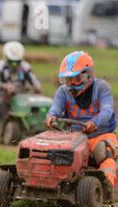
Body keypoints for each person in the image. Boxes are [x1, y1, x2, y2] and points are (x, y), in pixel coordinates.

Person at [45, 51, 117, 185]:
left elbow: (107, 111)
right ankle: (55, 183)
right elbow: (55, 108)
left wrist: (94, 123)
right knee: (56, 154)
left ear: (88, 74)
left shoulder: (102, 88)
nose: (71, 85)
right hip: (75, 137)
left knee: (104, 152)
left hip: (101, 135)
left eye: (76, 79)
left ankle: (107, 186)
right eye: (68, 80)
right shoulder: (63, 92)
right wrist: (51, 117)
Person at [0, 41, 41, 119]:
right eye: (12, 62)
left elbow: (33, 79)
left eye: (17, 62)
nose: (14, 65)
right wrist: (5, 86)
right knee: (8, 94)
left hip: (21, 94)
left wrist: (37, 86)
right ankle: (6, 120)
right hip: (1, 95)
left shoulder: (25, 67)